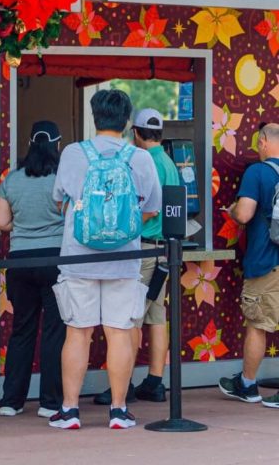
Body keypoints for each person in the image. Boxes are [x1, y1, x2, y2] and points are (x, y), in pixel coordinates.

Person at [49, 89, 161, 431]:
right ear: (128, 122)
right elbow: (152, 208)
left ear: (94, 117)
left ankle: (69, 410)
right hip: (124, 261)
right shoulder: (140, 158)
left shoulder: (72, 153)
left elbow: (58, 202)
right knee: (119, 333)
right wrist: (120, 228)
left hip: (78, 259)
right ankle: (118, 409)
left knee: (77, 333)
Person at [94, 107, 180, 406]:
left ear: (136, 133)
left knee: (128, 318)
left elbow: (142, 208)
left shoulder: (139, 161)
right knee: (156, 317)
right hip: (163, 249)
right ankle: (155, 381)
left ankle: (124, 384)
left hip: (141, 247)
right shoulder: (169, 162)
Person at [0, 120, 66, 419]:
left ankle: (11, 401)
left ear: (30, 144)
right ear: (57, 145)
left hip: (19, 260)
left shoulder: (13, 179)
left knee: (22, 329)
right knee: (53, 331)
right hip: (55, 260)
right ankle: (49, 403)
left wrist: (22, 227)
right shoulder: (61, 178)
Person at [219, 122, 279, 408]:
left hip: (266, 262)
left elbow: (244, 214)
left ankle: (248, 384)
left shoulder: (257, 172)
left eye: (258, 143)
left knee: (257, 324)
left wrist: (231, 210)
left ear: (265, 141)